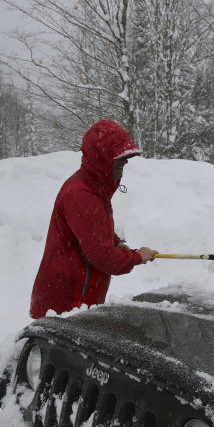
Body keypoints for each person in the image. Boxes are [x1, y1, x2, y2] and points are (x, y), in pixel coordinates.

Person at [30, 120, 158, 318]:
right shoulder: (82, 194)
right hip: (66, 302)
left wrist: (117, 242)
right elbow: (103, 257)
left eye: (126, 157)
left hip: (76, 298)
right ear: (102, 157)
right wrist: (137, 257)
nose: (125, 162)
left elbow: (93, 229)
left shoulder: (94, 187)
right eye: (120, 157)